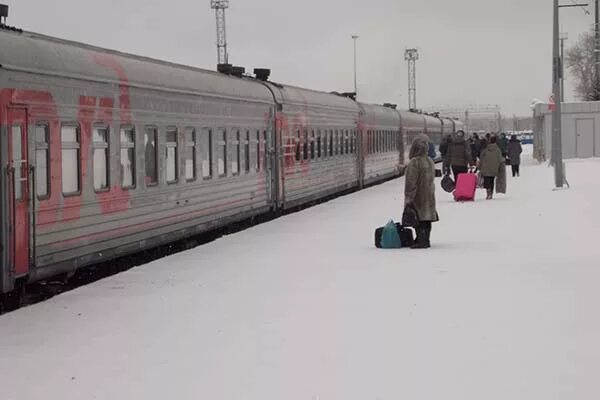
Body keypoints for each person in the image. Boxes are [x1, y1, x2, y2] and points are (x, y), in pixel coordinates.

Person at [404, 134, 439, 249]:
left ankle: (421, 240)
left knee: (417, 217)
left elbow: (411, 182)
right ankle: (424, 239)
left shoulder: (415, 162)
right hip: (429, 194)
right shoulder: (429, 161)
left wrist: (409, 197)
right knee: (426, 218)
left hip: (418, 195)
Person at [478, 135, 504, 200]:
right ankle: (491, 194)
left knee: (487, 181)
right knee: (492, 180)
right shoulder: (498, 150)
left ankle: (488, 192)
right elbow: (500, 160)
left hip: (485, 168)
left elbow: (481, 159)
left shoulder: (485, 150)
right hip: (494, 168)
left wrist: (479, 167)